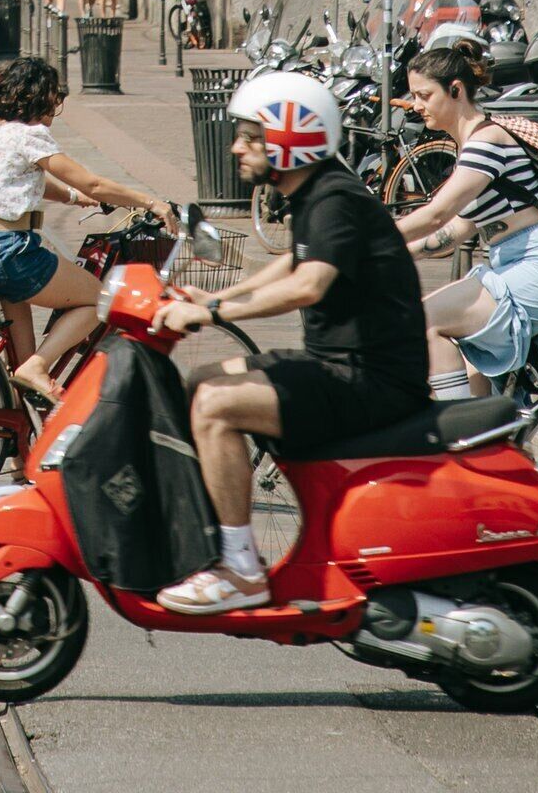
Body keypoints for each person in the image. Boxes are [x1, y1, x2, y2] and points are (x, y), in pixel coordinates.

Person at [146, 68, 438, 614]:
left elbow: (308, 284)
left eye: (252, 138)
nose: (236, 148)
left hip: (367, 381)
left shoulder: (334, 199)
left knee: (215, 406)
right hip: (340, 367)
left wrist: (211, 310)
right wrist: (212, 294)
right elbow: (291, 260)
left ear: (291, 139)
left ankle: (240, 570)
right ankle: (212, 535)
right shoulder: (316, 195)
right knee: (204, 380)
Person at [390, 40, 538, 403]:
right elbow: (457, 230)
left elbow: (438, 213)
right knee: (481, 389)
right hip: (518, 264)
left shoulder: (488, 141)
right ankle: (495, 449)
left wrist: (365, 238)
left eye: (424, 95)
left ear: (455, 90)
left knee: (427, 319)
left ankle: (456, 436)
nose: (416, 106)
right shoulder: (473, 144)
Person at [0, 57, 162, 404]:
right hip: (6, 254)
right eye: (54, 99)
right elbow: (93, 181)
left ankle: (19, 448)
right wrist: (149, 202)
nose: (55, 108)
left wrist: (70, 197)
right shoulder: (30, 135)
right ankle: (40, 368)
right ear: (39, 98)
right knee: (101, 298)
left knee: (18, 358)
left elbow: (10, 179)